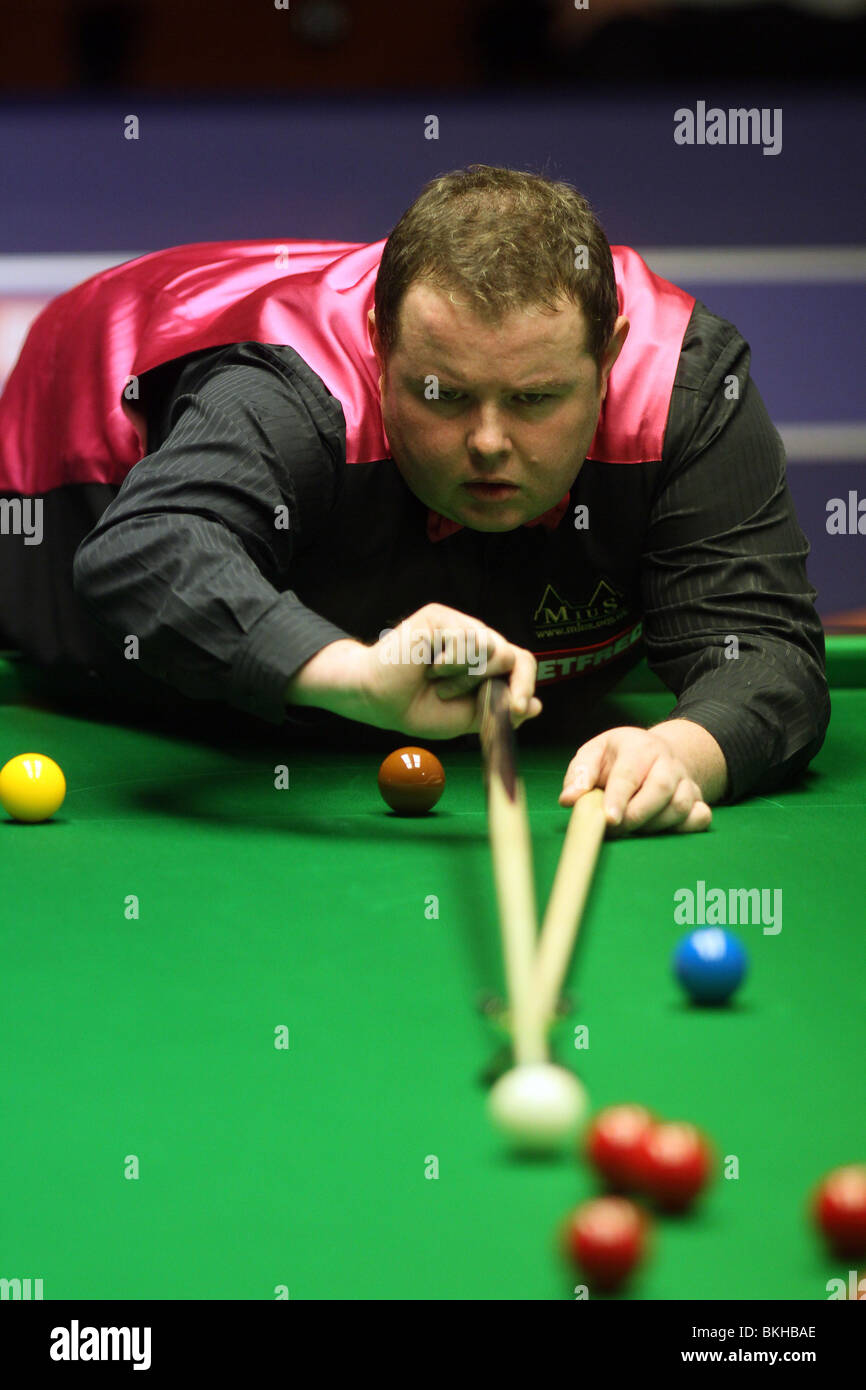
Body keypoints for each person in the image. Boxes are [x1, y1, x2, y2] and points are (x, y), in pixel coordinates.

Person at [0, 165, 829, 833]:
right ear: (378, 342)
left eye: (537, 398)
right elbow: (146, 550)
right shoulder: (289, 394)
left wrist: (687, 750)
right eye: (444, 395)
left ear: (608, 355)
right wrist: (358, 673)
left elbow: (760, 646)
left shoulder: (680, 386)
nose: (491, 442)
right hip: (63, 497)